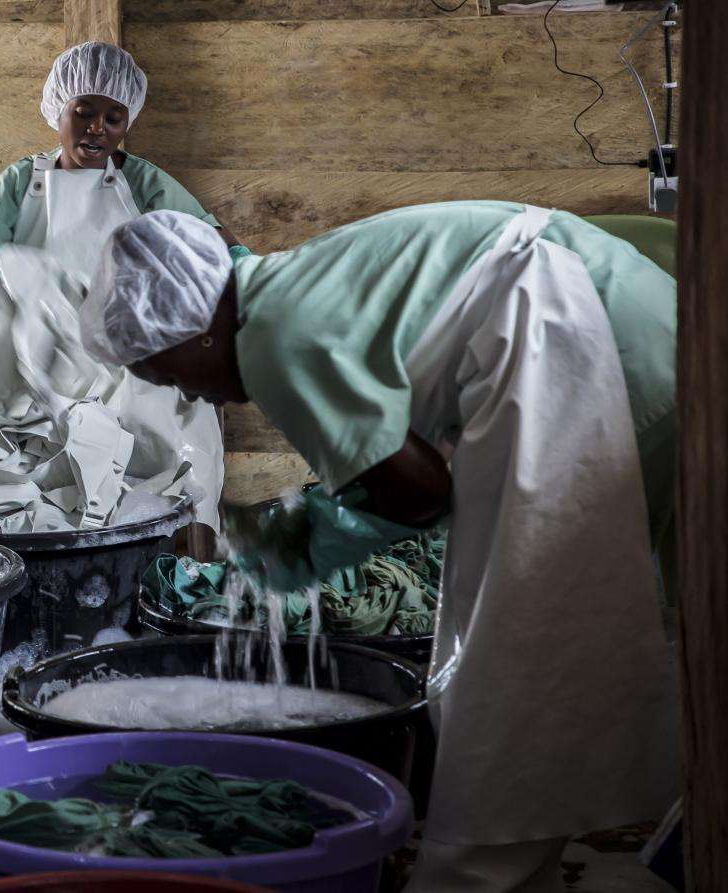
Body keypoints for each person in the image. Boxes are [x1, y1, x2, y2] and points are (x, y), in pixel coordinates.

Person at [78, 204, 679, 892]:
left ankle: (477, 881)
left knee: (511, 655)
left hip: (574, 344)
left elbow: (418, 493)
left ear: (194, 332)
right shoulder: (291, 283)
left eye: (167, 372)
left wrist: (304, 536)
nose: (187, 390)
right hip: (632, 313)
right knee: (632, 621)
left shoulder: (274, 337)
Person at [0, 40, 244, 295]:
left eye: (113, 119)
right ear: (59, 110)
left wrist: (241, 267)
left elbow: (209, 237)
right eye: (83, 113)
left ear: (127, 123)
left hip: (125, 340)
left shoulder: (143, 181)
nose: (97, 128)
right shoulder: (23, 178)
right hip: (30, 340)